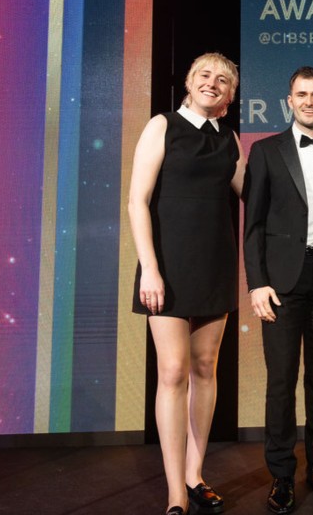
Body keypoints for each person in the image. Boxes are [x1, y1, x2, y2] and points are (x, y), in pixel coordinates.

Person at [128, 52, 245, 515]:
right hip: (168, 268)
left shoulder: (228, 139)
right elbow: (137, 201)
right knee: (173, 371)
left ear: (230, 95)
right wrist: (150, 268)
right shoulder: (163, 126)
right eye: (204, 75)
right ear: (189, 82)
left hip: (215, 265)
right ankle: (175, 492)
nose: (212, 83)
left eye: (222, 80)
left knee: (205, 368)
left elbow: (255, 193)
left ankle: (196, 475)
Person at [243, 66, 313, 514]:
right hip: (281, 281)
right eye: (302, 94)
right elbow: (253, 226)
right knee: (281, 379)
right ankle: (282, 474)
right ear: (289, 100)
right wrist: (257, 283)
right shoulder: (266, 151)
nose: (309, 101)